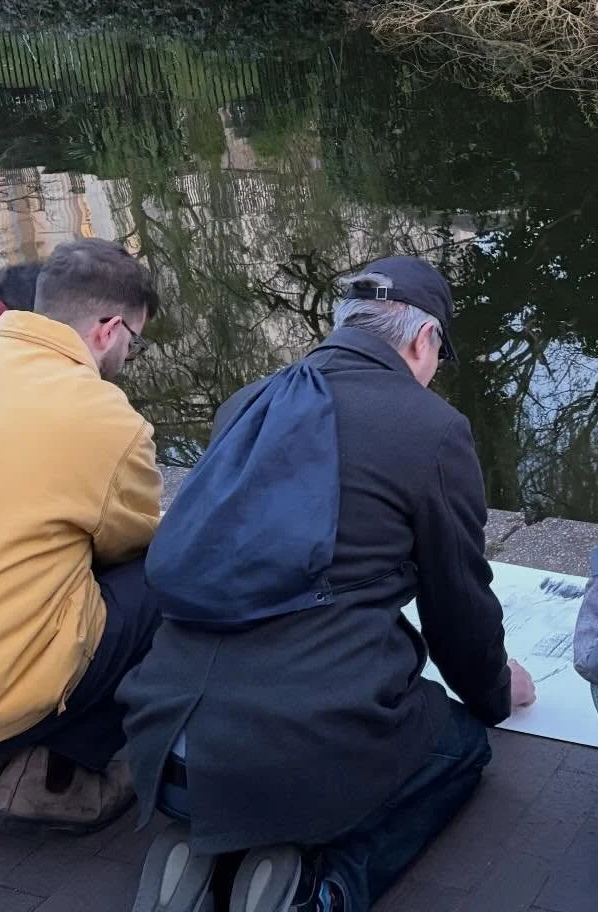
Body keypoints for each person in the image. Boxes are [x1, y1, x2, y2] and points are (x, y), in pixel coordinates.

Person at [122, 256, 537, 912]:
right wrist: (492, 690)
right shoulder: (430, 430)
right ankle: (320, 889)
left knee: (255, 743)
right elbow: (458, 610)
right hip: (293, 763)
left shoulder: (248, 403)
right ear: (423, 340)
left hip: (161, 748)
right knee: (458, 745)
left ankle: (206, 856)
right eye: (437, 357)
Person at [0, 239, 162, 832]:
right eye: (136, 340)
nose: (129, 355)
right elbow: (130, 548)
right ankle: (52, 779)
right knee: (164, 577)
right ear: (108, 330)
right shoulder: (108, 419)